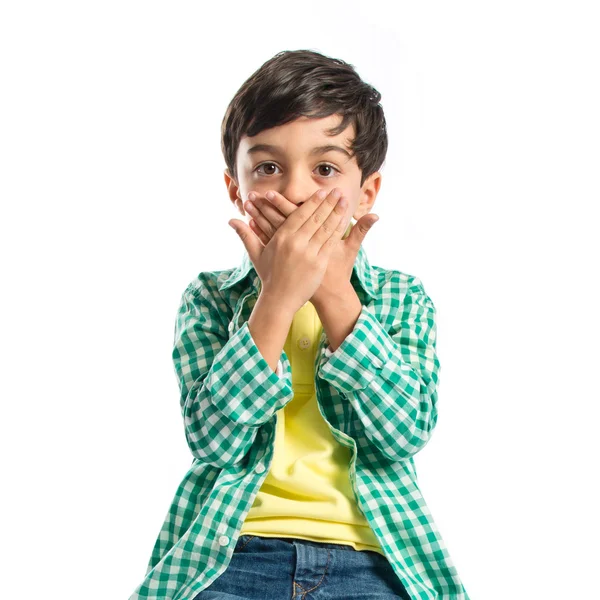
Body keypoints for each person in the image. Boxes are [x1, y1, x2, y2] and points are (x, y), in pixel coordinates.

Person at [128, 49, 470, 600]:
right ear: (235, 188)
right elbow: (213, 442)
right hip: (231, 556)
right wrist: (277, 299)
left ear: (367, 193)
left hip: (372, 562)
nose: (295, 191)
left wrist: (335, 294)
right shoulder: (211, 298)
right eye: (267, 167)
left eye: (326, 169)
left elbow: (406, 432)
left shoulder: (401, 298)